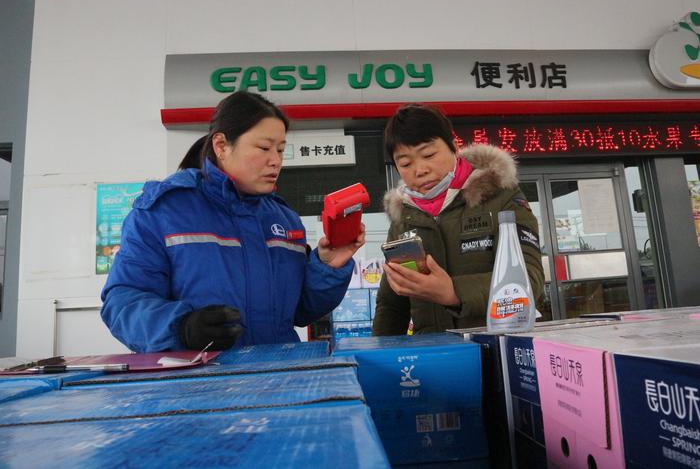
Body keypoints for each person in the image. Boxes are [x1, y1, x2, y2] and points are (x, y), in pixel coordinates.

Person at [101, 91, 365, 352]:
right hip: (197, 386)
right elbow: (122, 301)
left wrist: (327, 267)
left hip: (283, 379)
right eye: (263, 148)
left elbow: (300, 311)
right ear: (221, 146)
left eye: (281, 150)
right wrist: (182, 327)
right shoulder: (163, 211)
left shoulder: (284, 220)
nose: (276, 161)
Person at [372, 104, 544, 336]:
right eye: (405, 163)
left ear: (454, 146)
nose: (420, 169)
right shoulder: (404, 218)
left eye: (429, 155)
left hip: (498, 350)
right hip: (435, 357)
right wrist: (379, 360)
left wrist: (453, 292)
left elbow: (530, 282)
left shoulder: (502, 197)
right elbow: (392, 305)